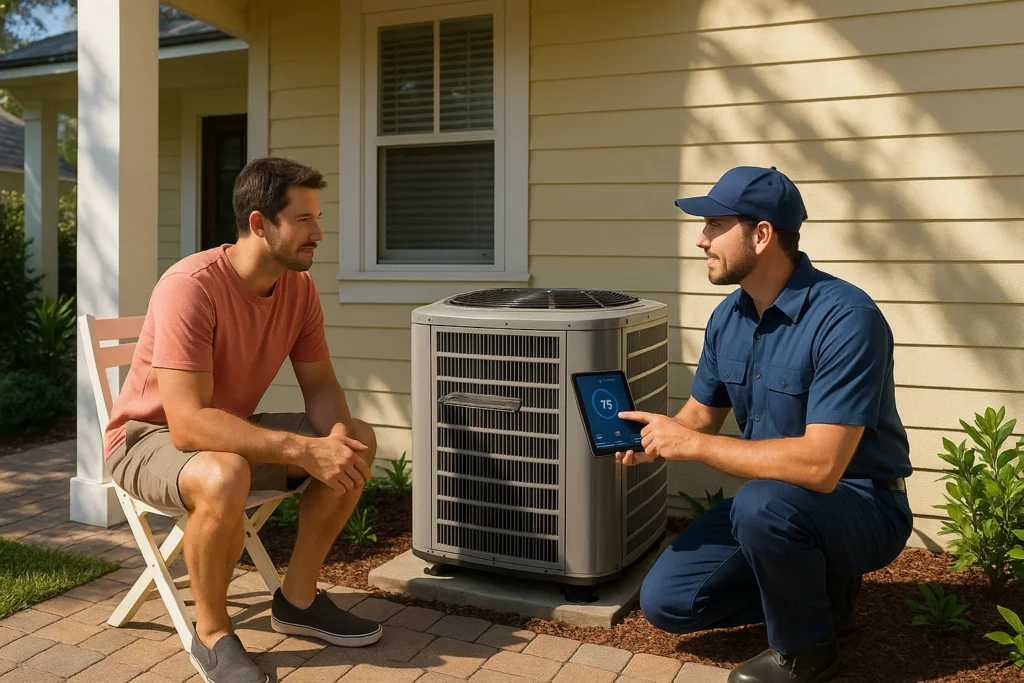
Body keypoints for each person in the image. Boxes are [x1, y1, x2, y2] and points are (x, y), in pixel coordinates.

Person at [616, 166, 914, 683]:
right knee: (668, 603)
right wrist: (657, 437)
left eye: (713, 224)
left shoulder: (847, 318)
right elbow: (701, 418)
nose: (700, 239)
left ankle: (806, 652)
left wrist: (694, 446)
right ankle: (820, 596)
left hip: (864, 505)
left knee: (762, 502)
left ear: (761, 234)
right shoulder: (728, 317)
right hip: (776, 508)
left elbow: (822, 468)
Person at [104, 157, 382, 683]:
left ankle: (297, 600)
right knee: (225, 472)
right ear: (260, 223)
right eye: (303, 220)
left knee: (357, 441)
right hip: (146, 440)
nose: (319, 233)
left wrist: (337, 441)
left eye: (317, 218)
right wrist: (302, 450)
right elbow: (185, 424)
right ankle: (212, 636)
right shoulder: (190, 285)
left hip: (225, 437)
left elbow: (320, 385)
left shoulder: (298, 289)